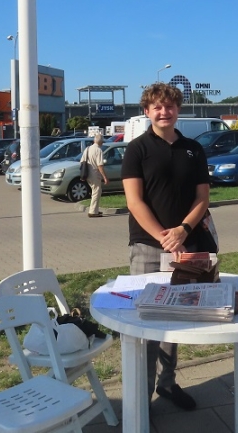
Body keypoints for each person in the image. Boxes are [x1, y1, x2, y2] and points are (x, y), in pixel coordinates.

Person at [121, 82, 211, 412]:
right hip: (148, 246)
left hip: (186, 246)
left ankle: (167, 383)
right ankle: (140, 399)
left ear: (178, 110)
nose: (164, 112)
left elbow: (203, 198)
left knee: (174, 320)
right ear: (147, 111)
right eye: (157, 107)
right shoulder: (137, 149)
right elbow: (134, 201)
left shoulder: (193, 149)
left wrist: (183, 230)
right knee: (145, 324)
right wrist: (164, 236)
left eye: (170, 106)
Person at [84, 134, 108, 217]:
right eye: (102, 142)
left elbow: (82, 161)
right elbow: (100, 165)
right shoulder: (98, 150)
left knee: (95, 191)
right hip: (95, 173)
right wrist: (105, 177)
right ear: (101, 142)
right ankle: (93, 212)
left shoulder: (87, 149)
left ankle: (95, 210)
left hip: (87, 173)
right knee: (96, 191)